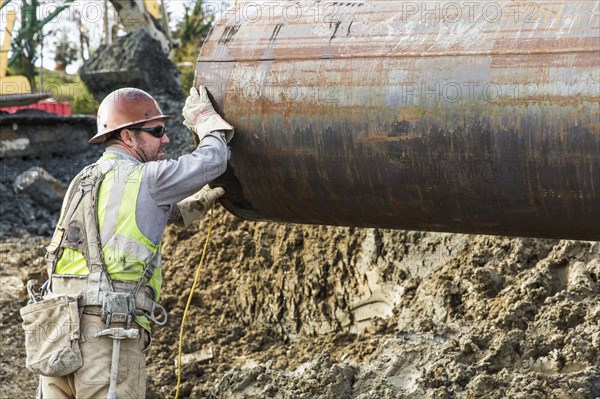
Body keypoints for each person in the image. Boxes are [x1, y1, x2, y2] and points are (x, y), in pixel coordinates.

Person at [35, 86, 233, 398]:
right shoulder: (147, 178)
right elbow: (213, 160)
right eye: (156, 131)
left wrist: (181, 211)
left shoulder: (85, 178)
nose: (165, 139)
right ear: (128, 137)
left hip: (57, 335)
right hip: (107, 335)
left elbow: (109, 228)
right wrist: (204, 119)